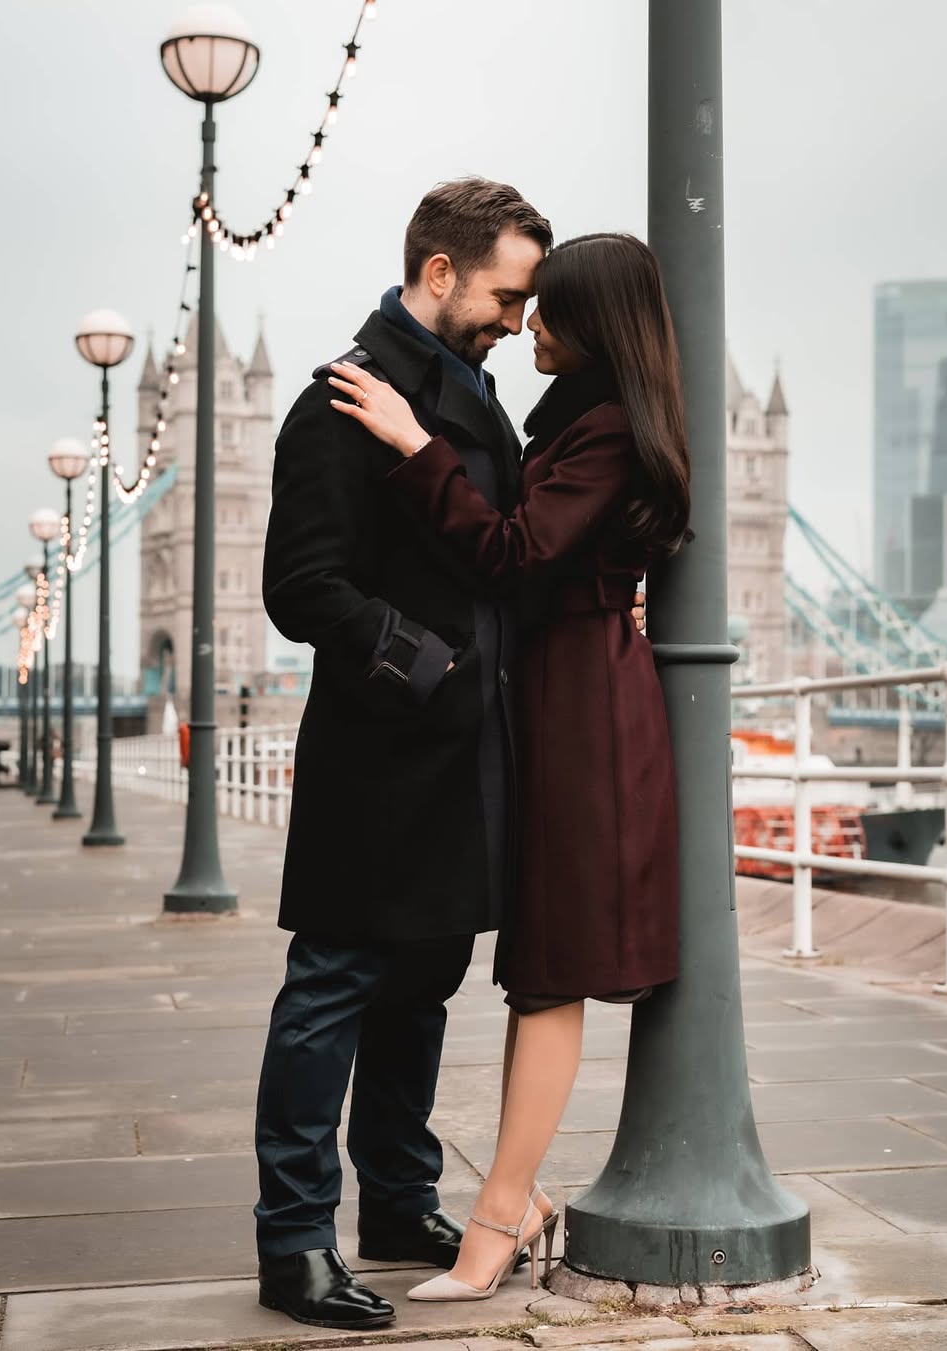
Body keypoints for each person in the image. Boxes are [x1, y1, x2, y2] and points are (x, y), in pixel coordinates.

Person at [325, 231, 689, 1302]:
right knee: (539, 959)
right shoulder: (590, 422)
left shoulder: (607, 427)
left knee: (548, 968)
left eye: (546, 309)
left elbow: (514, 552)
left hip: (584, 716)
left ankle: (503, 1215)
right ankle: (509, 1204)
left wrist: (408, 440)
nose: (527, 325)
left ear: (591, 322)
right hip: (556, 700)